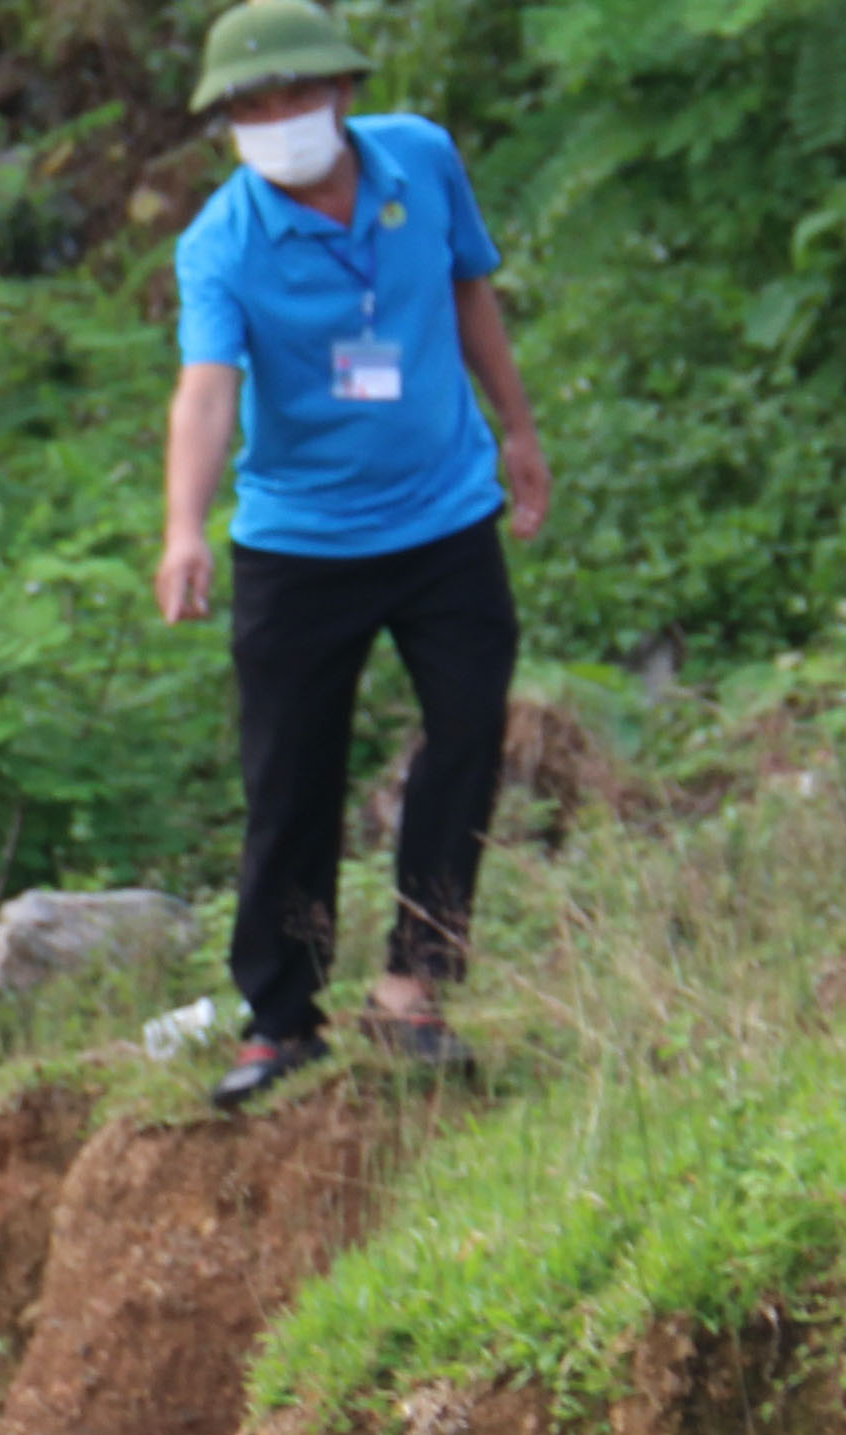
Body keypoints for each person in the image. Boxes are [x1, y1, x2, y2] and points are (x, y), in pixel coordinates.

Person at [154, 0, 549, 1111]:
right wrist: (183, 527)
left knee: (468, 730)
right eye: (250, 105)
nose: (275, 118)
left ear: (338, 91)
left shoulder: (418, 161)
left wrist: (515, 429)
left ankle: (413, 986)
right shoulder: (220, 242)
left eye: (292, 94)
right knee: (292, 780)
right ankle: (280, 1020)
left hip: (442, 519)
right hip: (300, 547)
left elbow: (469, 285)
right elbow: (204, 391)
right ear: (227, 120)